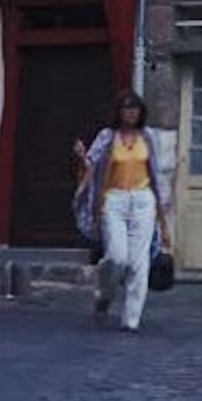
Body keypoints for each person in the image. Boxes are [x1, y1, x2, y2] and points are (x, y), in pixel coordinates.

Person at [74, 90, 174, 332]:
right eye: (126, 108)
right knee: (117, 257)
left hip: (142, 199)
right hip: (114, 198)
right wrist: (80, 157)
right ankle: (104, 295)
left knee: (138, 262)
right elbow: (91, 163)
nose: (130, 112)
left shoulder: (147, 137)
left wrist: (163, 219)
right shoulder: (108, 137)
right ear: (118, 112)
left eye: (135, 108)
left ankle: (131, 319)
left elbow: (157, 173)